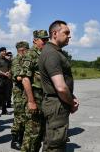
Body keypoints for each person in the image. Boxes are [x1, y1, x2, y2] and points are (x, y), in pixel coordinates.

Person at [38, 20, 79, 152]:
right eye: (66, 33)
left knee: (52, 142)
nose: (69, 36)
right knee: (55, 145)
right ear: (54, 33)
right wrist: (71, 103)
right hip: (56, 104)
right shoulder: (52, 53)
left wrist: (71, 96)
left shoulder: (54, 51)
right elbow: (60, 87)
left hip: (56, 102)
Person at [20, 30, 49, 152]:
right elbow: (25, 79)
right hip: (34, 97)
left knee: (40, 132)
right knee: (32, 133)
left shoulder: (44, 54)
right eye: (43, 40)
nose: (46, 42)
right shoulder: (30, 55)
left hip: (43, 97)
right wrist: (31, 101)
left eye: (47, 39)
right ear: (35, 40)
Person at [10, 41, 29, 150]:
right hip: (19, 93)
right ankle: (15, 140)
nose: (28, 52)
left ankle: (21, 138)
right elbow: (18, 77)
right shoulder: (16, 60)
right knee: (19, 116)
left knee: (25, 116)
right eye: (26, 50)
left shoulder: (25, 60)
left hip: (25, 93)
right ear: (21, 50)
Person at [0, 47, 12, 115]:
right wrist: (4, 73)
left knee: (5, 95)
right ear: (0, 52)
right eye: (3, 51)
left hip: (6, 79)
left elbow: (10, 67)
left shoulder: (7, 60)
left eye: (5, 51)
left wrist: (9, 72)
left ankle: (4, 110)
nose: (4, 52)